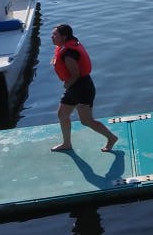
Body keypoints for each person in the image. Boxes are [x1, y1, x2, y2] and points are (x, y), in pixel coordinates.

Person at [50, 24, 118, 152]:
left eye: (55, 35)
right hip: (76, 87)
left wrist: (67, 84)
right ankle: (67, 143)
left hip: (81, 89)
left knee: (86, 120)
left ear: (64, 37)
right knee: (63, 115)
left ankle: (111, 138)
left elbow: (75, 74)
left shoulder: (68, 53)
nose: (52, 37)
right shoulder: (68, 46)